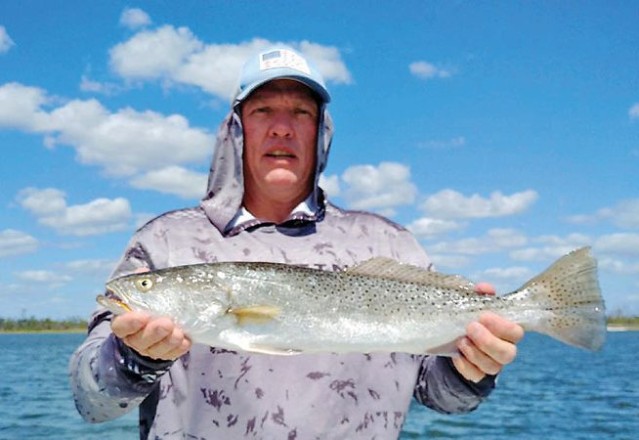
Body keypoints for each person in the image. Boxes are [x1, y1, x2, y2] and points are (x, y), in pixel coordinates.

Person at [69, 46, 524, 439]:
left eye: (301, 112)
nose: (282, 127)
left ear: (320, 132)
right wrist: (132, 358)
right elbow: (92, 402)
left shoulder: (391, 244)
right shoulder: (165, 242)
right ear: (236, 130)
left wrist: (471, 370)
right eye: (263, 110)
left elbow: (444, 398)